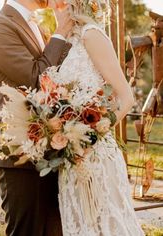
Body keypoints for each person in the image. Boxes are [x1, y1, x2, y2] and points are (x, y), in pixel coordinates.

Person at [0, 0, 73, 235]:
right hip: (19, 151)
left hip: (52, 148)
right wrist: (61, 32)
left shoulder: (37, 26)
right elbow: (36, 79)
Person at [55, 0, 145, 235]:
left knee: (105, 225)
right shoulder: (63, 41)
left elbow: (126, 97)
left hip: (95, 155)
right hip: (69, 158)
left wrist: (93, 134)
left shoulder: (91, 35)